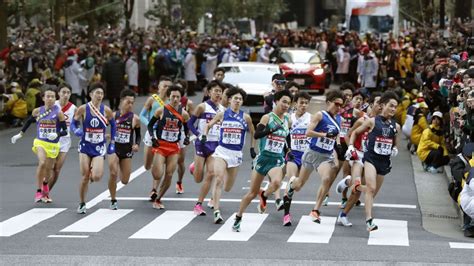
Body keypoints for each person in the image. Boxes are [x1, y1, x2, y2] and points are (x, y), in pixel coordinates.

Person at [233, 90, 292, 232]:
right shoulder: (267, 117)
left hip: (276, 159)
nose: (286, 105)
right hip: (263, 158)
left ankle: (265, 195)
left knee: (277, 182)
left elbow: (287, 136)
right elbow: (258, 134)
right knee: (252, 193)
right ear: (276, 101)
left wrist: (289, 150)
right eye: (284, 101)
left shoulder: (287, 120)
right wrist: (270, 130)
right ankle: (238, 217)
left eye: (289, 103)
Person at [284, 89, 344, 224]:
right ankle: (292, 184)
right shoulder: (320, 115)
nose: (338, 107)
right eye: (336, 104)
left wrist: (338, 145)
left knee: (327, 178)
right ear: (329, 102)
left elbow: (336, 133)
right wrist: (324, 135)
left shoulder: (338, 118)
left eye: (341, 105)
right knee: (299, 185)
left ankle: (315, 210)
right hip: (311, 153)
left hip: (325, 156)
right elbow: (308, 133)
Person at [347, 91, 400, 231]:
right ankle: (369, 221)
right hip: (370, 159)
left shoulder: (396, 126)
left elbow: (395, 141)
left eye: (396, 107)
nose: (394, 109)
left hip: (384, 162)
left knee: (372, 191)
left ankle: (355, 186)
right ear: (383, 106)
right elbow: (355, 133)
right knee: (371, 188)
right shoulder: (372, 121)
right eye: (391, 106)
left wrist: (394, 148)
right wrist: (351, 146)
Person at [203, 87, 255, 223]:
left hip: (236, 154)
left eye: (240, 99)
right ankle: (216, 211)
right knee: (218, 179)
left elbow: (254, 133)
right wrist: (204, 134)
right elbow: (208, 125)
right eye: (235, 98)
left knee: (227, 187)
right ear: (230, 100)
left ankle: (216, 193)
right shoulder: (222, 114)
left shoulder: (246, 117)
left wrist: (252, 148)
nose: (237, 101)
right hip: (221, 151)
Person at [11, 86, 68, 202]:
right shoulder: (37, 111)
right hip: (40, 142)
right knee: (42, 163)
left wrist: (57, 134)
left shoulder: (59, 113)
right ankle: (38, 191)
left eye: (52, 97)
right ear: (43, 98)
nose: (50, 99)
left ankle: (45, 183)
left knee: (49, 169)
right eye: (48, 96)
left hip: (53, 144)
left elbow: (65, 131)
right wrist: (20, 134)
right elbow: (29, 122)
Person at [334, 92, 382, 226]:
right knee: (356, 185)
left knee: (359, 191)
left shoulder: (381, 123)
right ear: (372, 104)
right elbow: (350, 134)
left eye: (382, 104)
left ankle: (343, 215)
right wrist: (351, 148)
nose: (380, 106)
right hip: (358, 156)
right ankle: (349, 182)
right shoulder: (363, 120)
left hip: (370, 159)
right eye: (378, 103)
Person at [70, 82, 116, 214]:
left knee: (96, 176)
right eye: (97, 93)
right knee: (84, 176)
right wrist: (76, 130)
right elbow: (73, 123)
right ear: (91, 94)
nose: (100, 96)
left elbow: (113, 126)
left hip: (99, 146)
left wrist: (112, 142)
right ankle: (82, 203)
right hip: (85, 145)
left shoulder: (106, 110)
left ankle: (92, 172)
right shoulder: (83, 109)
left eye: (102, 93)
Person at [147, 85, 190, 209]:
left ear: (181, 98)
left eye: (177, 97)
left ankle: (159, 198)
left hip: (173, 147)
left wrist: (186, 138)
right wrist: (153, 138)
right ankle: (155, 172)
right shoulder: (161, 110)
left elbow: (187, 129)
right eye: (173, 96)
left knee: (169, 174)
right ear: (169, 97)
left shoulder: (184, 114)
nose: (175, 99)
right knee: (157, 174)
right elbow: (150, 126)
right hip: (161, 146)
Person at [188, 80, 225, 215]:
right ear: (209, 92)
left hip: (215, 145)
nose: (217, 93)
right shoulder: (202, 107)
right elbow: (190, 124)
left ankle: (198, 204)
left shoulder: (222, 110)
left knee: (211, 173)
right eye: (215, 91)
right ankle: (194, 167)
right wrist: (199, 134)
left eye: (220, 91)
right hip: (201, 144)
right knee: (198, 178)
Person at [139, 76, 172, 201]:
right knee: (148, 165)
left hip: (163, 135)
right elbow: (142, 115)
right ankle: (153, 166)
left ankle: (154, 189)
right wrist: (149, 124)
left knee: (159, 163)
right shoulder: (152, 99)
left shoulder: (172, 102)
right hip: (150, 133)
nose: (167, 89)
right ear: (158, 87)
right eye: (164, 86)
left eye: (169, 86)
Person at [281, 91, 312, 226]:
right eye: (301, 103)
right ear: (296, 103)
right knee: (291, 179)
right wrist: (286, 150)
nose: (303, 105)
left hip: (306, 155)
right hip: (293, 154)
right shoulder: (289, 117)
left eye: (306, 103)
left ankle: (288, 193)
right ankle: (286, 215)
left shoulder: (311, 118)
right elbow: (284, 135)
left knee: (297, 186)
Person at [108, 89, 141, 210]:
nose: (130, 105)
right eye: (128, 102)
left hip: (126, 150)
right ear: (121, 101)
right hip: (114, 148)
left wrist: (136, 144)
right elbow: (101, 127)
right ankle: (113, 200)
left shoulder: (135, 119)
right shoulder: (112, 115)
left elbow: (138, 135)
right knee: (113, 172)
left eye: (132, 102)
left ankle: (121, 175)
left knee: (125, 180)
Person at [46, 84, 77, 199]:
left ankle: (47, 192)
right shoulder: (53, 105)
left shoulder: (73, 108)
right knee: (49, 167)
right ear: (58, 93)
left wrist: (77, 130)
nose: (65, 95)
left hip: (65, 141)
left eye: (68, 92)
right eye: (63, 92)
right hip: (51, 140)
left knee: (57, 169)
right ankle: (42, 190)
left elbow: (75, 124)